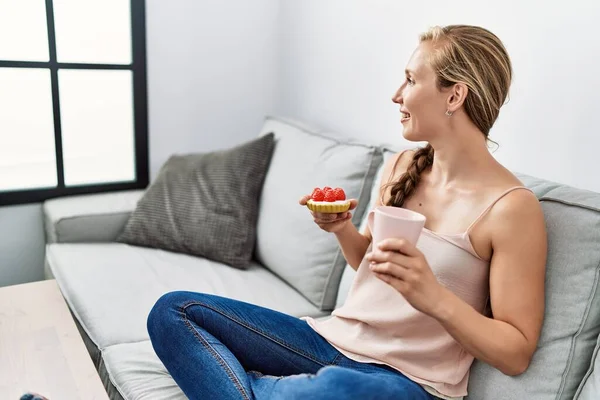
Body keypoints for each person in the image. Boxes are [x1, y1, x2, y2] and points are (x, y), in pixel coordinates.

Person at [147, 24, 547, 400]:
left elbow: (516, 351)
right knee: (172, 311)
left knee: (334, 388)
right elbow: (370, 266)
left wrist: (435, 298)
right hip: (329, 342)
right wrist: (342, 229)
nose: (396, 95)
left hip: (408, 380)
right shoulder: (404, 165)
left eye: (410, 79)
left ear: (454, 96)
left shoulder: (511, 208)